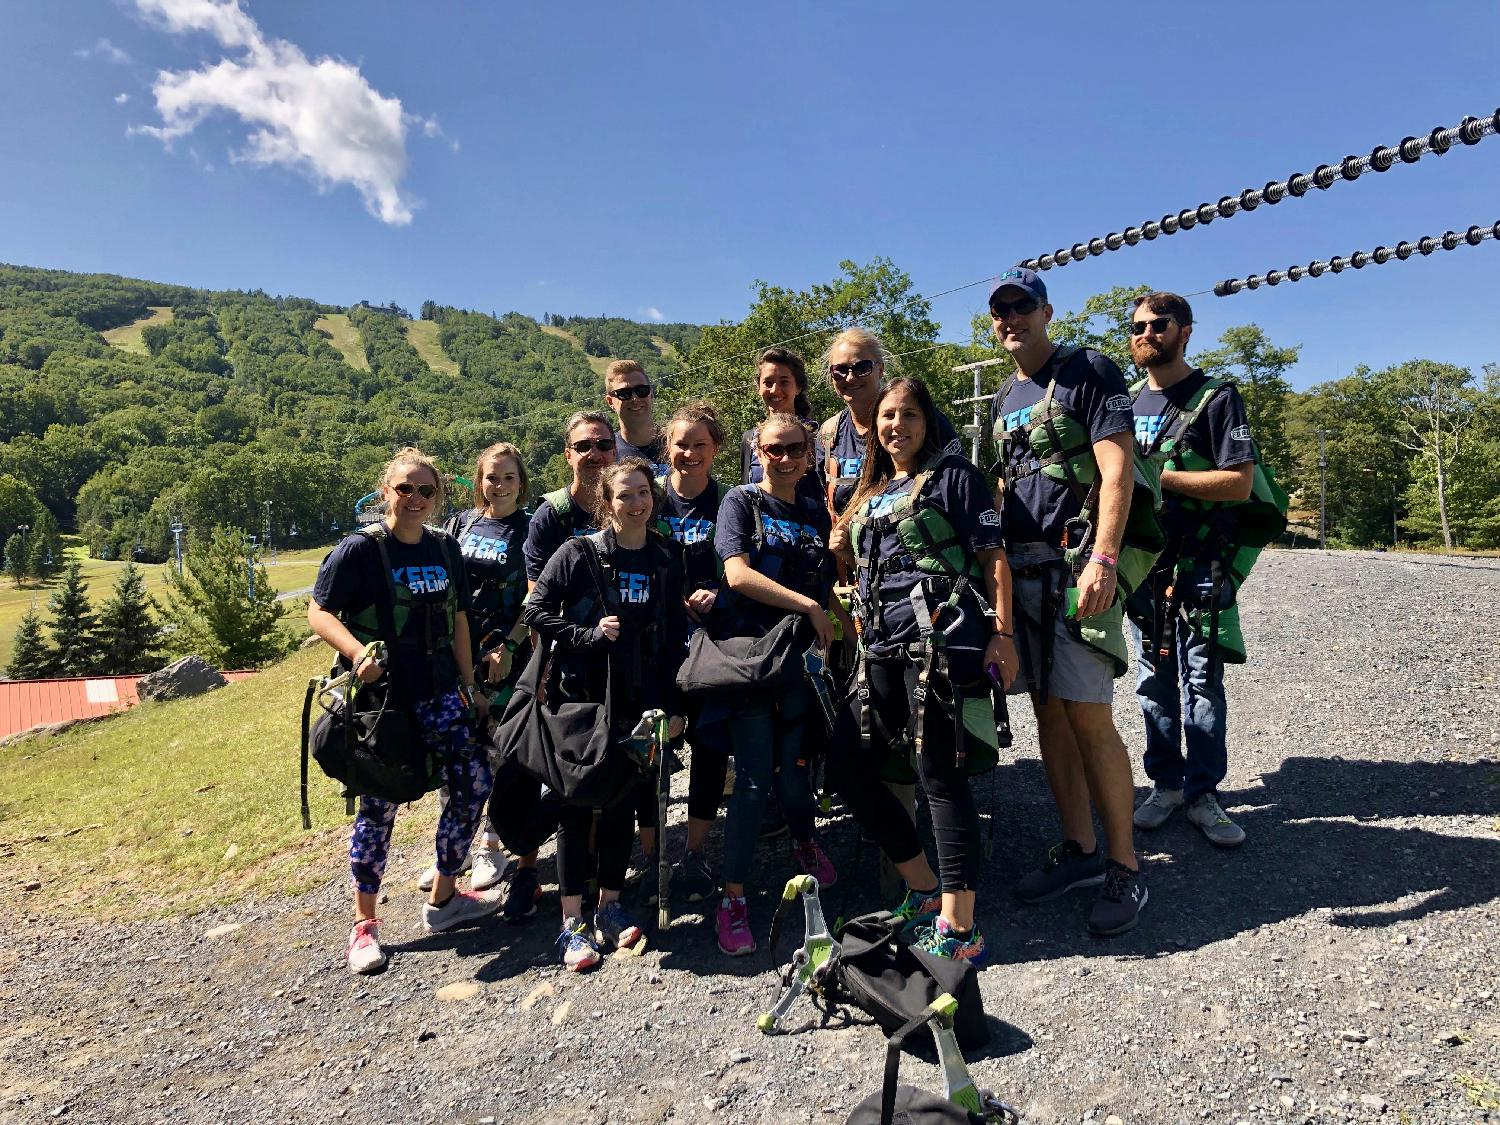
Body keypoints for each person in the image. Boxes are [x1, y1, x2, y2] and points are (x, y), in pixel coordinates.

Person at [828, 378, 1014, 963]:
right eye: (887, 416)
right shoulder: (873, 485)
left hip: (941, 644)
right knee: (849, 768)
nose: (896, 425)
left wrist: (1003, 635)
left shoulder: (954, 475)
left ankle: (961, 926)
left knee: (939, 776)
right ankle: (923, 886)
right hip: (879, 648)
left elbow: (993, 556)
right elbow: (853, 556)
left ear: (927, 422)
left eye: (908, 415)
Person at [986, 266, 1148, 936]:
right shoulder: (1001, 397)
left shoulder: (1089, 371)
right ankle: (1080, 849)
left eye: (1021, 306)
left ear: (1046, 311)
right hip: (1022, 576)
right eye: (1000, 310)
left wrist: (1104, 558)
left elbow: (1116, 469)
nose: (1010, 318)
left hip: (1075, 567)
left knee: (1088, 716)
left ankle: (1126, 867)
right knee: (1049, 716)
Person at [307, 447, 498, 975]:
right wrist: (356, 652)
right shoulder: (360, 551)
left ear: (437, 497)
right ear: (384, 492)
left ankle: (443, 898)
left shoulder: (444, 548)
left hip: (442, 693)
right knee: (379, 806)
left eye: (426, 491)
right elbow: (318, 610)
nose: (415, 499)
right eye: (404, 489)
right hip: (382, 702)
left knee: (473, 785)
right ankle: (363, 925)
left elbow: (459, 618)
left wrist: (470, 685)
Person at [521, 458, 687, 971]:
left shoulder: (665, 554)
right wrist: (586, 637)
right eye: (624, 496)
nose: (636, 503)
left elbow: (675, 632)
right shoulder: (578, 553)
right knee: (575, 805)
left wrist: (677, 705)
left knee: (621, 800)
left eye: (643, 493)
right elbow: (536, 610)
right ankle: (573, 923)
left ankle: (610, 907)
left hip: (642, 701)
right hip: (583, 700)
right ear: (606, 503)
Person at [707, 412, 845, 956]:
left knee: (796, 772)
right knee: (753, 781)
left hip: (801, 663)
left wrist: (836, 619)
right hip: (751, 660)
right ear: (756, 453)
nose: (783, 458)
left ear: (809, 454)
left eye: (793, 449)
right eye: (772, 449)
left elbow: (825, 580)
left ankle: (805, 842)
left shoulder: (814, 511)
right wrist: (809, 605)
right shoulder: (740, 503)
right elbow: (736, 573)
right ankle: (733, 899)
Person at [1124, 293, 1255, 848]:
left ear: (1185, 331)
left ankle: (1204, 794)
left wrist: (1159, 477)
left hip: (1201, 563)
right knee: (1152, 681)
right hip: (1142, 563)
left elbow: (1239, 483)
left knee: (1201, 680)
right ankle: (1166, 784)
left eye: (1159, 324)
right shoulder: (1124, 405)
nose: (1146, 333)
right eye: (1137, 326)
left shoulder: (1217, 399)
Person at [408, 444, 538, 915]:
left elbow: (535, 593)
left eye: (508, 478)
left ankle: (492, 845)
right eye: (490, 477)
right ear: (478, 480)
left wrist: (510, 644)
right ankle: (453, 853)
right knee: (458, 753)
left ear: (521, 482)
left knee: (499, 753)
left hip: (505, 652)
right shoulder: (461, 525)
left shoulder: (528, 527)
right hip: (459, 651)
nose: (498, 486)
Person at [653, 401, 730, 902]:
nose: (689, 452)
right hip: (657, 641)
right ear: (667, 448)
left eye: (700, 444)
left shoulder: (729, 501)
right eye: (681, 443)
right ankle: (650, 851)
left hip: (713, 641)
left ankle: (696, 851)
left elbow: (743, 560)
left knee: (708, 746)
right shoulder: (650, 499)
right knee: (656, 745)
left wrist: (720, 591)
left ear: (715, 449)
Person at [819, 328, 964, 517]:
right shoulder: (829, 434)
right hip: (851, 544)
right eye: (840, 370)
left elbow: (959, 488)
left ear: (880, 369)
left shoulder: (925, 423)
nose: (850, 377)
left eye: (862, 368)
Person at [523, 411, 616, 588]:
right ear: (568, 456)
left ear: (614, 451)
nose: (594, 454)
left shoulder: (632, 506)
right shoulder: (550, 515)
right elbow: (536, 592)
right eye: (583, 446)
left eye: (603, 445)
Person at [740, 347, 824, 506]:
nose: (775, 390)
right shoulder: (750, 440)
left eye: (784, 382)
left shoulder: (817, 438)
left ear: (798, 387)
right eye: (768, 382)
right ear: (758, 387)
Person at [604, 359, 669, 475]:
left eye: (641, 390)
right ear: (610, 401)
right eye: (624, 393)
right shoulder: (606, 453)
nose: (635, 399)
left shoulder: (676, 444)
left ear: (651, 393)